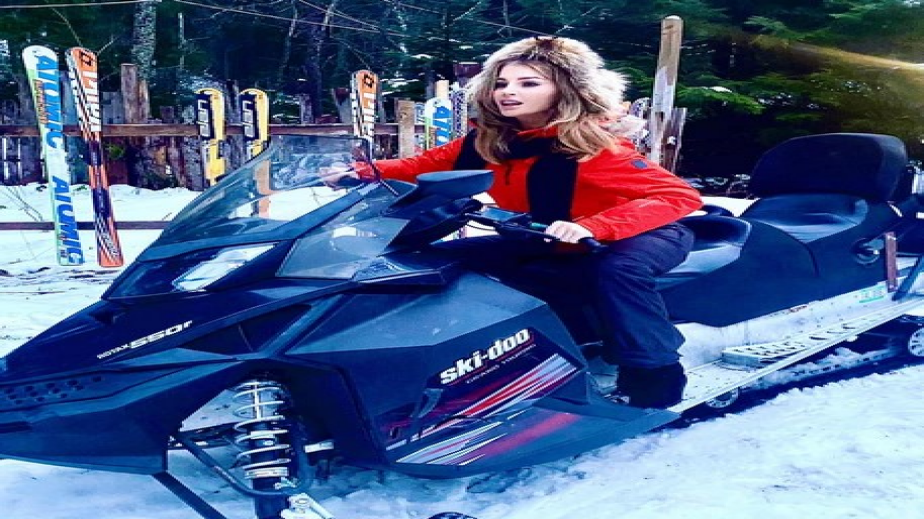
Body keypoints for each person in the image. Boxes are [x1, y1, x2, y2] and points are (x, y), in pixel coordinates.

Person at [372, 37, 701, 408]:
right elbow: (418, 167)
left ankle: (654, 373)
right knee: (438, 259)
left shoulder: (593, 147)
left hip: (640, 232)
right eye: (501, 83)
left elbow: (677, 196)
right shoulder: (492, 142)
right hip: (548, 235)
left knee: (618, 270)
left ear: (565, 90)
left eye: (528, 83)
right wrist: (359, 172)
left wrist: (593, 226)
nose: (508, 92)